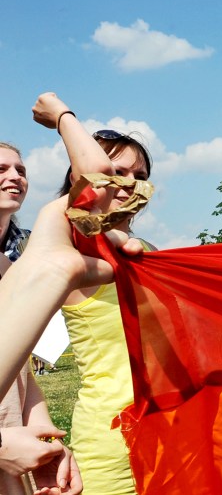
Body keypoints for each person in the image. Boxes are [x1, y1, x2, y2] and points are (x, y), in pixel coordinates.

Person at [33, 92, 153, 493]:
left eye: (139, 175)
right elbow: (93, 178)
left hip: (167, 425)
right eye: (118, 171)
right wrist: (61, 113)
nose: (129, 183)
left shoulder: (146, 250)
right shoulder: (76, 239)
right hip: (110, 441)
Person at [0, 143, 82, 494]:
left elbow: (22, 373)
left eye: (20, 170)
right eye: (1, 169)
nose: (14, 176)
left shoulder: (7, 269)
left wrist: (49, 441)